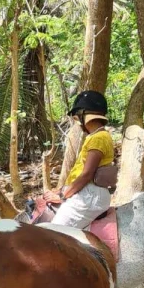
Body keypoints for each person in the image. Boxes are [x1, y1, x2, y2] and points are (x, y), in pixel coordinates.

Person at [43, 90, 115, 229]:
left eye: (76, 118)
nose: (77, 122)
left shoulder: (98, 138)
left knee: (53, 233)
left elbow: (86, 174)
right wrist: (61, 190)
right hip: (86, 192)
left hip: (89, 196)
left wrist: (62, 196)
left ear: (83, 115)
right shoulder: (95, 137)